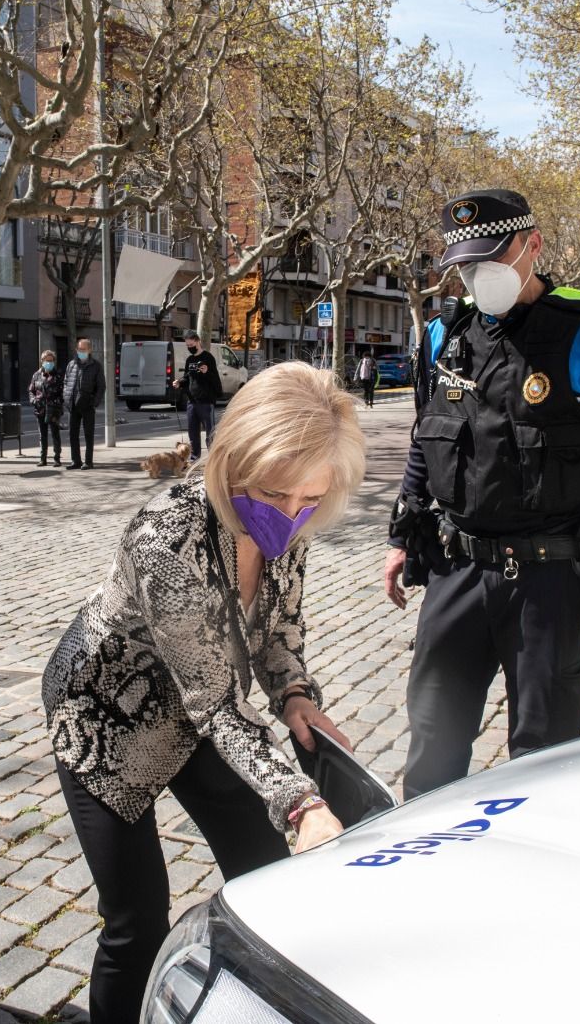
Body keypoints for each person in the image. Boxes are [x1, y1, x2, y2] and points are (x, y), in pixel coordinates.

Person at [44, 362, 363, 1021]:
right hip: (106, 716)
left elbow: (280, 628)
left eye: (310, 499)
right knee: (136, 919)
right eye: (277, 495)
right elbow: (216, 701)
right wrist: (302, 805)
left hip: (196, 714)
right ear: (236, 461)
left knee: (265, 868)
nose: (292, 516)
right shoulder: (171, 533)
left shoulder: (289, 518)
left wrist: (296, 694)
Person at [384, 188, 580, 798]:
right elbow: (423, 440)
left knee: (542, 759)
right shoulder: (443, 337)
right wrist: (402, 535)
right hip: (457, 570)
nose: (480, 276)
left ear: (532, 245)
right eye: (467, 264)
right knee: (431, 743)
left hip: (550, 581)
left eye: (493, 257)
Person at [173, 328, 223, 460]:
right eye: (188, 346)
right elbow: (187, 377)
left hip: (206, 402)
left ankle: (213, 459)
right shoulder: (189, 359)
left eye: (191, 345)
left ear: (198, 341)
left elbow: (215, 379)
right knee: (192, 432)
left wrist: (206, 372)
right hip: (192, 401)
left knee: (210, 432)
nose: (190, 348)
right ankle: (194, 458)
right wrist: (179, 383)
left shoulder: (208, 357)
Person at [63, 336, 105, 470]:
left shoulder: (96, 365)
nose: (81, 351)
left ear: (90, 350)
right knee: (72, 434)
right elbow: (66, 382)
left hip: (87, 405)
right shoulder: (71, 364)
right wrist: (66, 397)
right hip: (72, 405)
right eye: (79, 349)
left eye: (84, 349)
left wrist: (94, 402)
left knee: (88, 434)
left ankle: (88, 461)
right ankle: (76, 461)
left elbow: (101, 386)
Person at [29, 349, 65, 467]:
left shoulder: (59, 375)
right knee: (42, 435)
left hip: (54, 409)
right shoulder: (36, 375)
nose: (48, 363)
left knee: (55, 433)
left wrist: (58, 404)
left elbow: (63, 392)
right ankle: (43, 458)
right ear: (42, 361)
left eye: (51, 360)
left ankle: (57, 458)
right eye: (46, 360)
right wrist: (34, 400)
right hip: (40, 409)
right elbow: (31, 390)